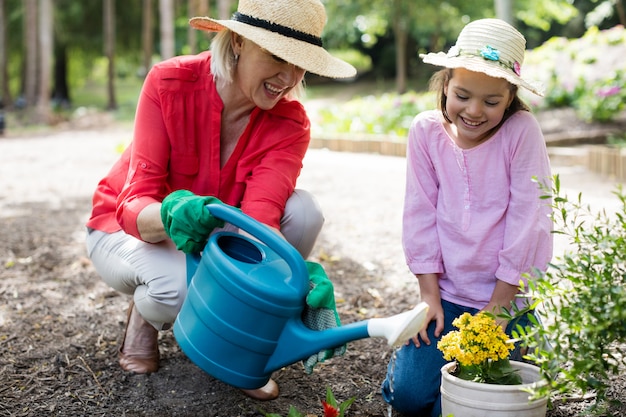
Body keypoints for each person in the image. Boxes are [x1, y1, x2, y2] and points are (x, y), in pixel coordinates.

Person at [84, 0, 356, 402]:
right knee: (174, 291)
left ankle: (236, 342)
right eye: (278, 56)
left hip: (217, 233)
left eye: (301, 63)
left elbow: (262, 218)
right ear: (239, 43)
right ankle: (144, 316)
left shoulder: (289, 121)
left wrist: (294, 274)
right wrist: (174, 210)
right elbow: (133, 206)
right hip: (131, 231)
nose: (289, 76)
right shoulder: (169, 82)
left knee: (302, 211)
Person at [381, 18, 553, 416]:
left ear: (510, 97)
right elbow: (419, 213)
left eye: (491, 102)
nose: (474, 111)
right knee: (409, 398)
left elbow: (530, 220)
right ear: (445, 84)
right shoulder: (425, 131)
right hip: (446, 296)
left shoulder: (521, 132)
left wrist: (499, 310)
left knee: (461, 407)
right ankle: (400, 373)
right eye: (462, 95)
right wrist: (428, 295)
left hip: (505, 302)